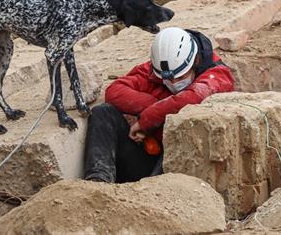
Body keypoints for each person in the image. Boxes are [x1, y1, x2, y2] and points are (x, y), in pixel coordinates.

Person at [83, 27, 234, 183]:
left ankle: (153, 194)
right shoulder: (159, 69)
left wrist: (148, 119)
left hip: (185, 166)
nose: (174, 83)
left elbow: (192, 97)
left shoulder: (217, 75)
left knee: (182, 129)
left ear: (195, 61)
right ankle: (98, 181)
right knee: (103, 112)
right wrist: (154, 112)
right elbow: (114, 92)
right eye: (168, 79)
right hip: (146, 156)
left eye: (180, 76)